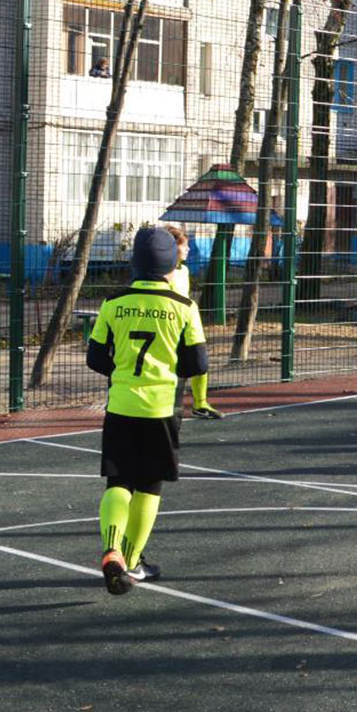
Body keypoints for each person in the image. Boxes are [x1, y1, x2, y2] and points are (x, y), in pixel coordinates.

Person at [87, 225, 210, 596]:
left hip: (121, 405)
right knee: (150, 486)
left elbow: (95, 357)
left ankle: (111, 549)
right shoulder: (184, 307)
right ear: (171, 263)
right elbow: (198, 364)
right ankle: (132, 562)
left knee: (118, 481)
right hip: (161, 408)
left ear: (135, 262)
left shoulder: (112, 303)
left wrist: (122, 373)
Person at [161, 223, 222, 419]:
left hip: (186, 325)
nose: (188, 249)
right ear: (172, 248)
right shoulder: (161, 273)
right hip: (169, 327)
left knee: (199, 360)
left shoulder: (184, 271)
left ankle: (200, 403)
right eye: (184, 245)